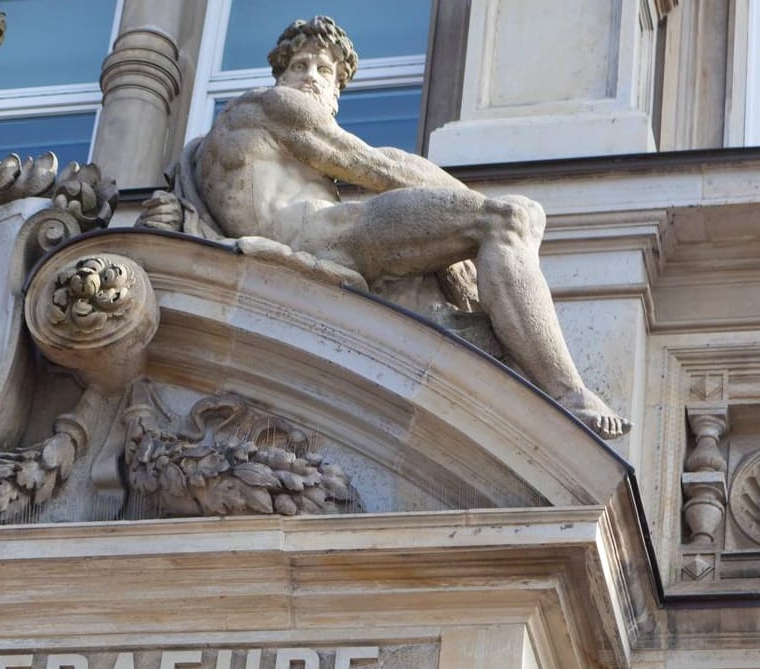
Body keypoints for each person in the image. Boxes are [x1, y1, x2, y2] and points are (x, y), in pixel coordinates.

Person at [193, 16, 628, 438]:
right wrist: (479, 206)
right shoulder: (273, 105)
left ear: (336, 92)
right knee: (511, 218)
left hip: (325, 234)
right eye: (299, 66)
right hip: (325, 238)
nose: (310, 77)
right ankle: (569, 393)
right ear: (280, 76)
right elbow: (378, 166)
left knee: (486, 251)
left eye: (324, 71)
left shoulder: (245, 141)